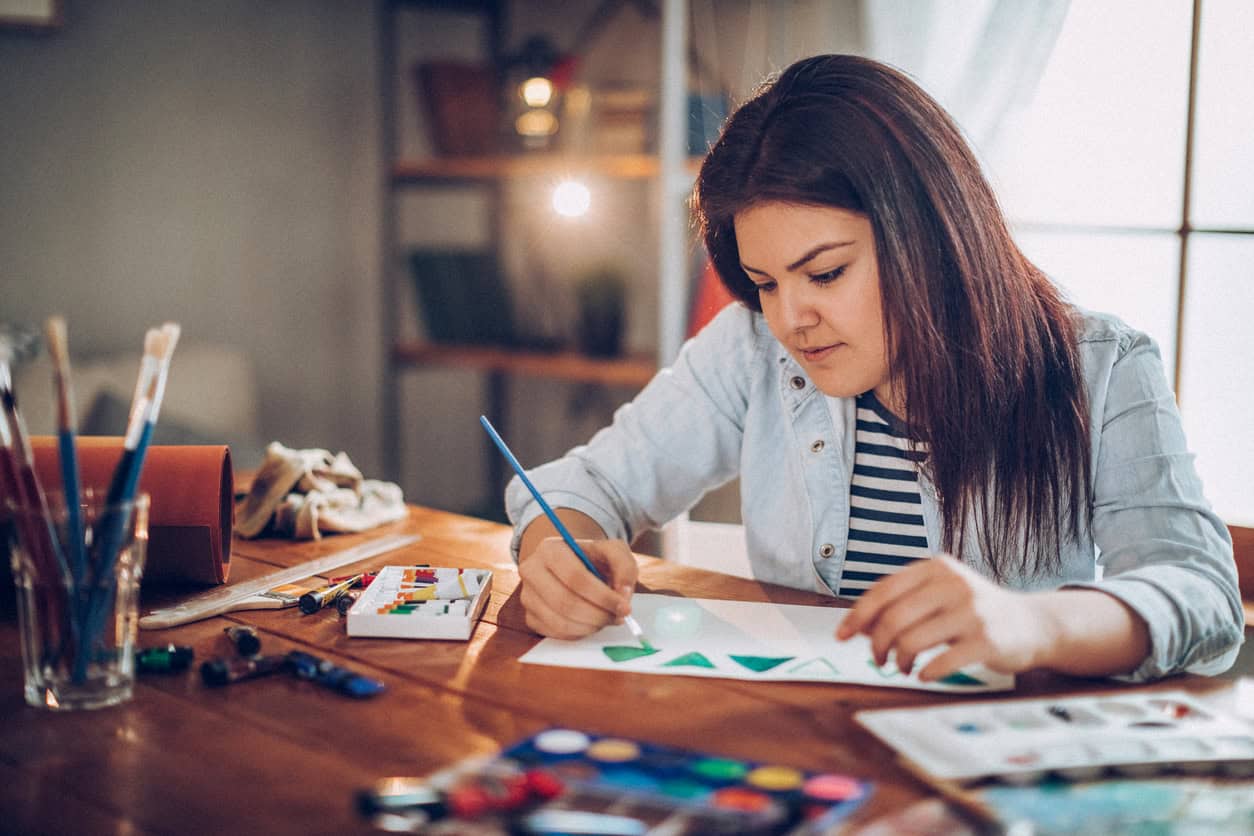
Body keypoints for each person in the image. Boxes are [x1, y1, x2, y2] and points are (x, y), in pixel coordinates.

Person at [506, 54, 1243, 683]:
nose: (791, 318)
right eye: (765, 282)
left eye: (824, 274)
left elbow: (1203, 597)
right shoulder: (751, 347)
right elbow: (585, 486)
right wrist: (555, 556)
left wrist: (1032, 624)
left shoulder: (1101, 369)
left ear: (931, 235)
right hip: (807, 751)